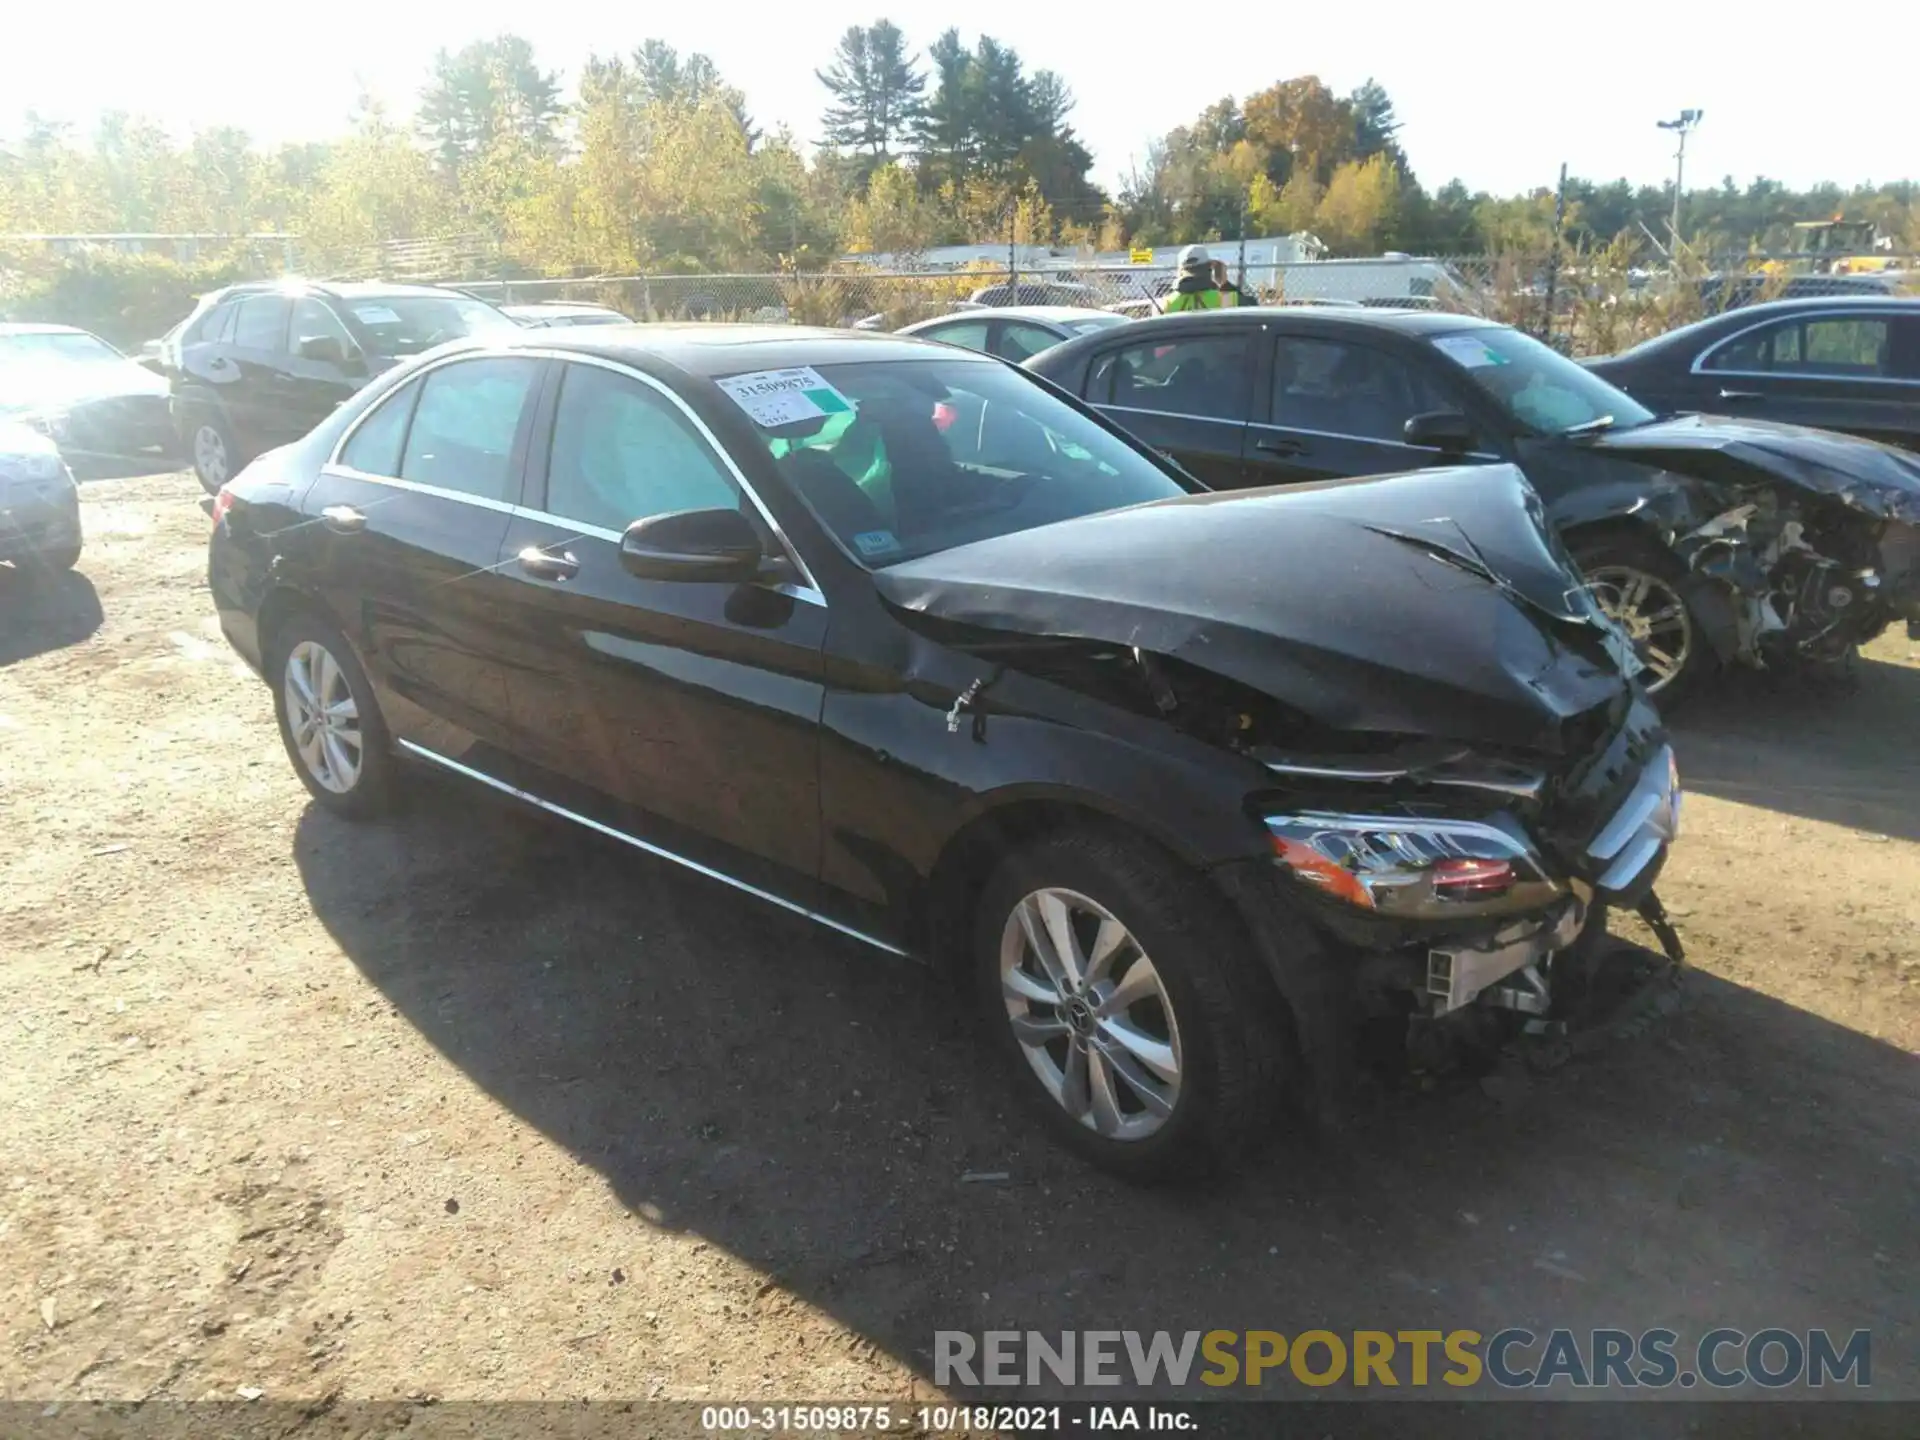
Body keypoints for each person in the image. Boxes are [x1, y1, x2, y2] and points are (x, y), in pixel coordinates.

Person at [1161, 246, 1238, 312]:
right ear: (1209, 268)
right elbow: (1248, 309)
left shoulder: (1166, 304)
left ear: (1179, 272)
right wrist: (1223, 283)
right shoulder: (1225, 300)